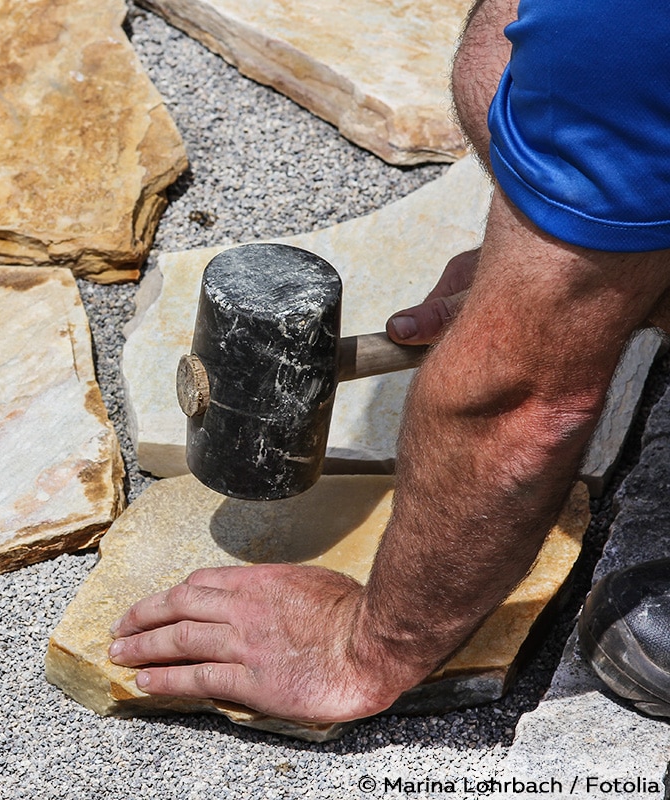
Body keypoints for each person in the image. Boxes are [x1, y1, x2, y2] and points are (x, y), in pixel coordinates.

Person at [107, 0, 670, 723]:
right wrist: (586, 261)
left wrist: (366, 648)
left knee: (640, 634)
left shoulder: (613, 38)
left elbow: (518, 402)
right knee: (517, 77)